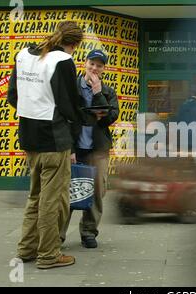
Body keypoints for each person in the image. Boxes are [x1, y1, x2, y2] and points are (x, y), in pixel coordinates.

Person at [7, 21, 85, 269]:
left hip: (29, 137)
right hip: (54, 139)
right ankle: (49, 255)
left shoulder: (23, 55)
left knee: (35, 196)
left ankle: (27, 249)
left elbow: (13, 96)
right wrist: (75, 131)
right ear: (74, 44)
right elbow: (70, 106)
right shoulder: (62, 61)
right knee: (52, 200)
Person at [61, 49, 119, 248]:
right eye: (91, 63)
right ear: (84, 63)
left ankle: (88, 232)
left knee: (97, 191)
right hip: (74, 148)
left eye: (99, 65)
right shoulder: (71, 88)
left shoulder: (108, 91)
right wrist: (69, 149)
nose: (94, 68)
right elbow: (63, 119)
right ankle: (58, 235)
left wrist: (97, 93)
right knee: (67, 191)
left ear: (104, 69)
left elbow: (109, 118)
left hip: (98, 150)